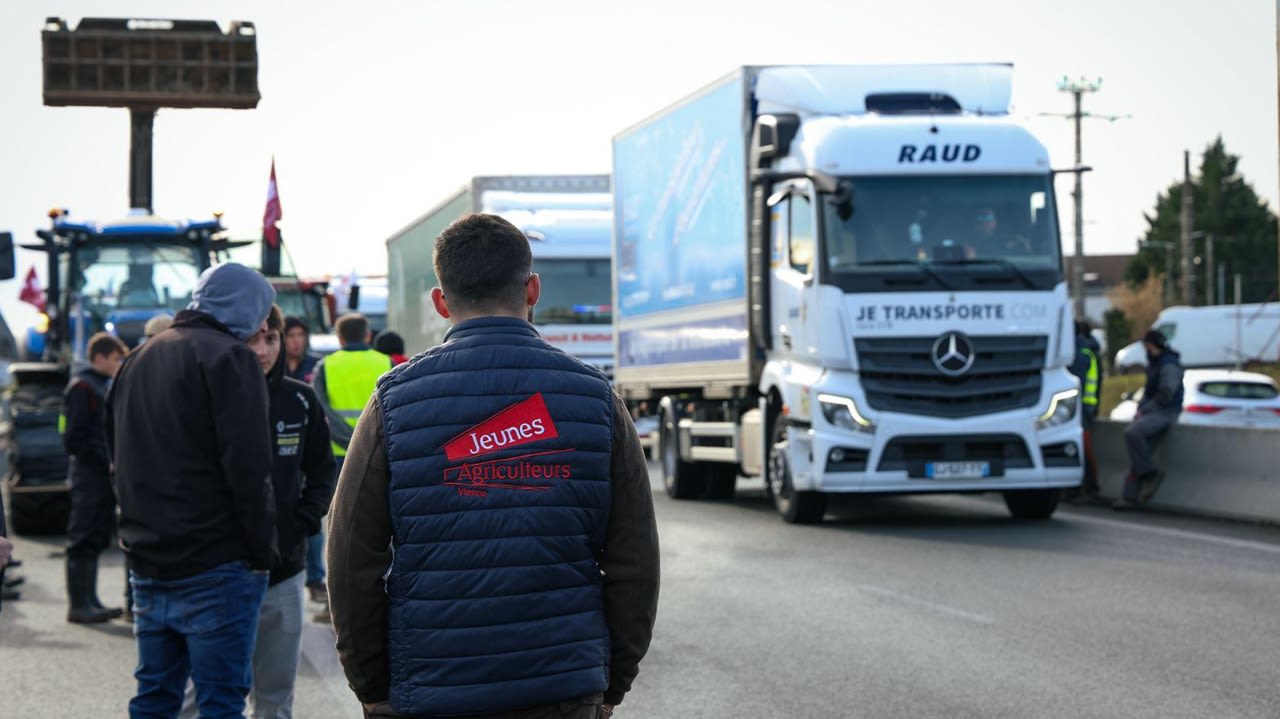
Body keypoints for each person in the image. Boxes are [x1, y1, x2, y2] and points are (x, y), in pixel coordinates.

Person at [327, 213, 660, 719]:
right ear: (533, 290)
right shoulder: (596, 398)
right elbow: (635, 559)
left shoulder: (394, 401)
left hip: (433, 688)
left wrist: (371, 685)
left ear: (441, 301)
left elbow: (351, 558)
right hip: (563, 690)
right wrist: (612, 682)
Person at [106, 262, 279, 718]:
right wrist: (262, 551)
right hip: (216, 562)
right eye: (261, 310)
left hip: (148, 560)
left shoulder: (138, 358)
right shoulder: (230, 357)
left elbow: (116, 458)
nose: (263, 324)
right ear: (243, 305)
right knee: (220, 702)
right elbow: (249, 468)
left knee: (154, 698)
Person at [179, 304, 337, 719]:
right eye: (251, 339)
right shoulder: (203, 397)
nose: (263, 350)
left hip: (283, 573)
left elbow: (323, 470)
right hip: (217, 572)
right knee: (201, 697)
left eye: (270, 338)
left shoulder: (300, 400)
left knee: (275, 699)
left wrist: (304, 519)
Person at [307, 312, 391, 605]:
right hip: (382, 451)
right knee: (382, 519)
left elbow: (321, 411)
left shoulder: (325, 366)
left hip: (338, 455)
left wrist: (350, 439)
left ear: (340, 338)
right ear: (367, 335)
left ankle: (341, 589)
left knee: (342, 523)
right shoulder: (385, 362)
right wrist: (368, 439)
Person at [62, 332, 128, 623]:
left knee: (97, 536)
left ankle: (91, 600)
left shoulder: (100, 385)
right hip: (89, 475)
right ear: (98, 357)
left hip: (101, 475)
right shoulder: (83, 387)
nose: (118, 364)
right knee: (83, 537)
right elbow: (74, 437)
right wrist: (102, 460)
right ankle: (79, 604)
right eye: (115, 358)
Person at [1114, 329, 1185, 511]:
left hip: (1165, 412)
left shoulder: (1169, 365)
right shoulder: (1156, 363)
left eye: (1146, 345)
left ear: (1152, 345)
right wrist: (1141, 408)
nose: (1145, 349)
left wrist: (1146, 410)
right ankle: (1129, 496)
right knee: (1140, 453)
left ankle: (1150, 475)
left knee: (1133, 434)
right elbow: (1149, 392)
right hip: (1155, 412)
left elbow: (1166, 393)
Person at [1067, 320, 1103, 500]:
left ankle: (1090, 488)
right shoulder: (1083, 350)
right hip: (1082, 407)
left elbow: (1075, 381)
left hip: (1081, 408)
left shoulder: (1080, 353)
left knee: (1083, 448)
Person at [283, 315, 320, 383]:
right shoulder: (275, 365)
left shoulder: (316, 364)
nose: (296, 341)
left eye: (300, 335)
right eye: (291, 335)